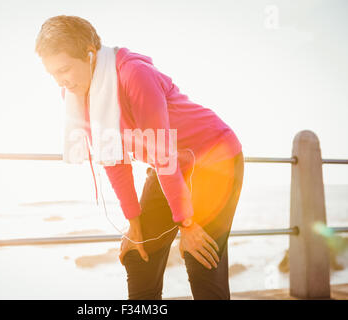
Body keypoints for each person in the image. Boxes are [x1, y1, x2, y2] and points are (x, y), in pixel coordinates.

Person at [35, 15, 244, 300]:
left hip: (214, 158)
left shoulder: (134, 74)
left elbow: (161, 150)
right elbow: (113, 159)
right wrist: (134, 221)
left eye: (65, 70)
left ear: (89, 54)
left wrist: (187, 224)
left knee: (200, 258)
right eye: (54, 74)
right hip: (171, 165)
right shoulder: (79, 92)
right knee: (138, 253)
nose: (61, 81)